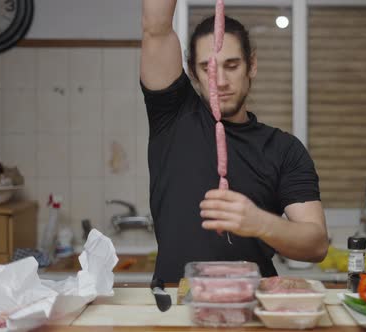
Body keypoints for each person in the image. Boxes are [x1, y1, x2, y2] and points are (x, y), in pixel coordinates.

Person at [140, 0, 328, 282]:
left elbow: (316, 244)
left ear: (251, 65)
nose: (221, 81)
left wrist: (259, 222)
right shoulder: (173, 115)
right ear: (193, 73)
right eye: (208, 68)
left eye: (232, 65)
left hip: (251, 310)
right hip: (176, 310)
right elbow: (156, 28)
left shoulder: (284, 149)